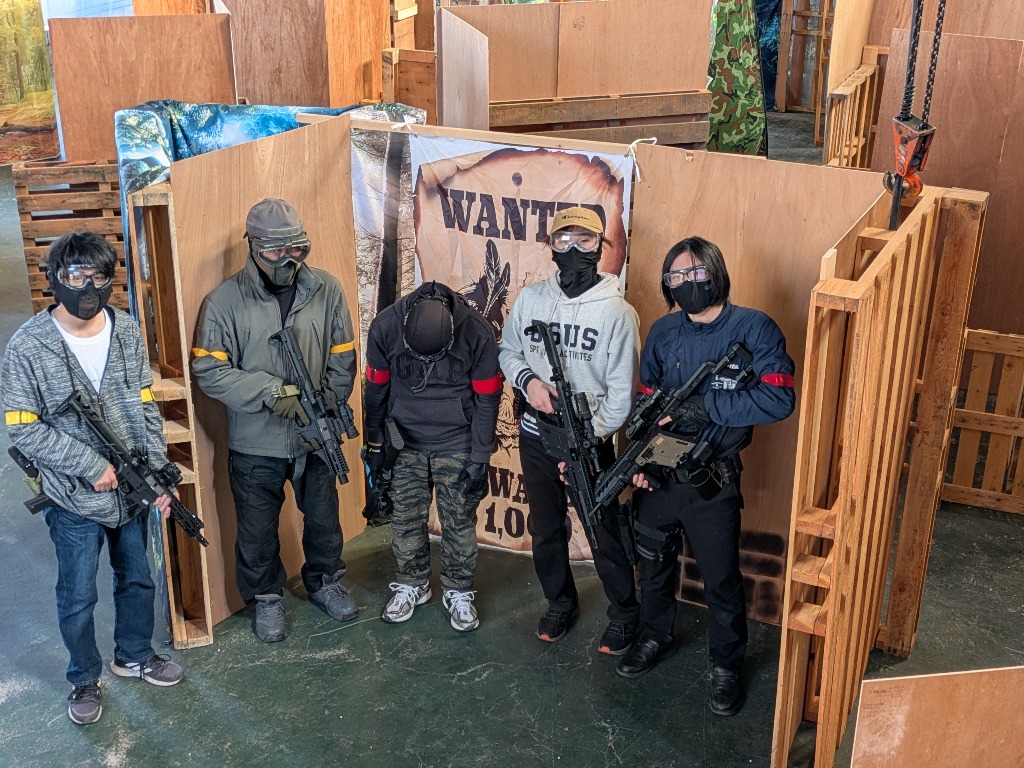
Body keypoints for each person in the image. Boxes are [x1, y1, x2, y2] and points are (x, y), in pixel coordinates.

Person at [2, 231, 184, 725]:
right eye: (75, 275)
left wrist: (156, 473)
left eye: (98, 276)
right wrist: (90, 466)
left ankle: (134, 655)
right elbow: (22, 427)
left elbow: (144, 402)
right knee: (79, 593)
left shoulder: (125, 330)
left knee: (138, 578)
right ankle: (83, 675)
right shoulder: (28, 346)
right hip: (73, 498)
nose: (87, 287)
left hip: (131, 491)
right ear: (54, 279)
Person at [620, 236, 795, 717]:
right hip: (661, 474)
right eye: (677, 275)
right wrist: (638, 464)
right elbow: (646, 404)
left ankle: (726, 664)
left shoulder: (754, 328)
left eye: (696, 272)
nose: (687, 282)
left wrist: (706, 406)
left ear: (716, 272)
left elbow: (779, 398)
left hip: (711, 480)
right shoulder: (663, 332)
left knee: (720, 579)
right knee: (654, 566)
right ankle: (654, 635)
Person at [192, 198, 358, 643]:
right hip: (255, 442)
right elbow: (209, 370)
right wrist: (270, 392)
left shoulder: (327, 289)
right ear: (253, 246)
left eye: (297, 249)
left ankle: (325, 580)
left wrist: (325, 405)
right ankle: (266, 597)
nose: (288, 261)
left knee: (323, 517)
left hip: (314, 436)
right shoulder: (223, 302)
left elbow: (342, 356)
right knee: (257, 528)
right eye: (275, 252)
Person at [499, 206, 641, 653]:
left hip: (588, 440)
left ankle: (625, 612)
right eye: (563, 240)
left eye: (585, 241)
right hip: (536, 432)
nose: (574, 249)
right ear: (551, 247)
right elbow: (508, 351)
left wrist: (588, 437)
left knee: (602, 529)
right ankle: (559, 601)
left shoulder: (617, 313)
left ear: (601, 247)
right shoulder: (532, 299)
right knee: (546, 528)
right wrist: (529, 382)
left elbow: (620, 395)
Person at [363, 281, 501, 632]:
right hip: (403, 440)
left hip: (458, 440)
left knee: (459, 521)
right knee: (406, 518)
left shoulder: (477, 331)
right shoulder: (384, 327)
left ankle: (459, 589)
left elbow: (487, 397)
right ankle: (412, 583)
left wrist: (480, 455)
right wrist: (375, 444)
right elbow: (375, 390)